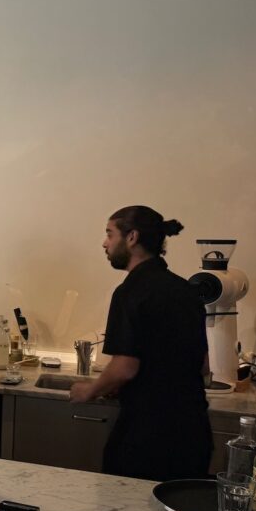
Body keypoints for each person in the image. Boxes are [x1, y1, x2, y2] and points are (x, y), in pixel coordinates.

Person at [70, 205, 211, 481]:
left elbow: (125, 367)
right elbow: (204, 366)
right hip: (194, 435)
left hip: (147, 438)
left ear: (131, 237)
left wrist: (90, 390)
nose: (105, 243)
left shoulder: (130, 292)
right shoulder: (186, 290)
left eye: (110, 234)